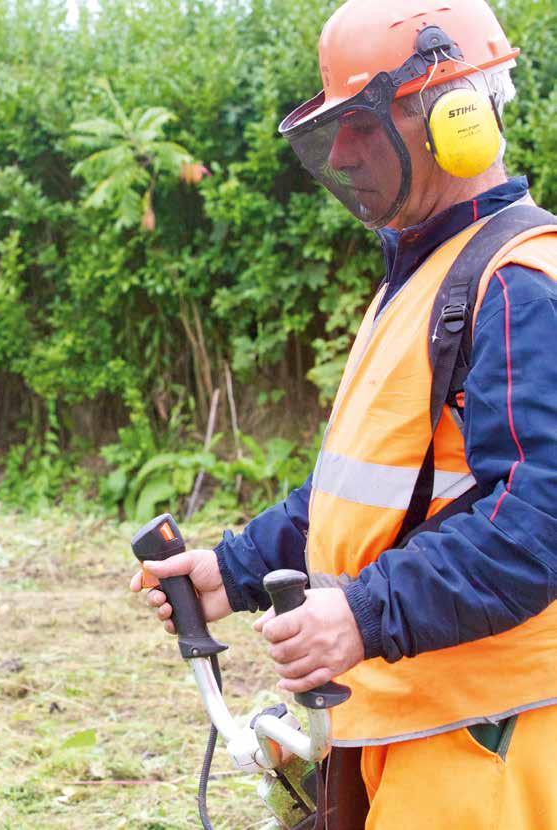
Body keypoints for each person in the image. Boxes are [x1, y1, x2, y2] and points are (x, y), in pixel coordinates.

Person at [131, 0, 557, 826]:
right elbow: (376, 490)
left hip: (490, 734)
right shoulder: (430, 274)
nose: (347, 151)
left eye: (367, 122)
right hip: (407, 712)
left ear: (457, 115)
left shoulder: (516, 284)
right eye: (338, 130)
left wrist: (365, 614)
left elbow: (538, 517)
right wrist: (236, 567)